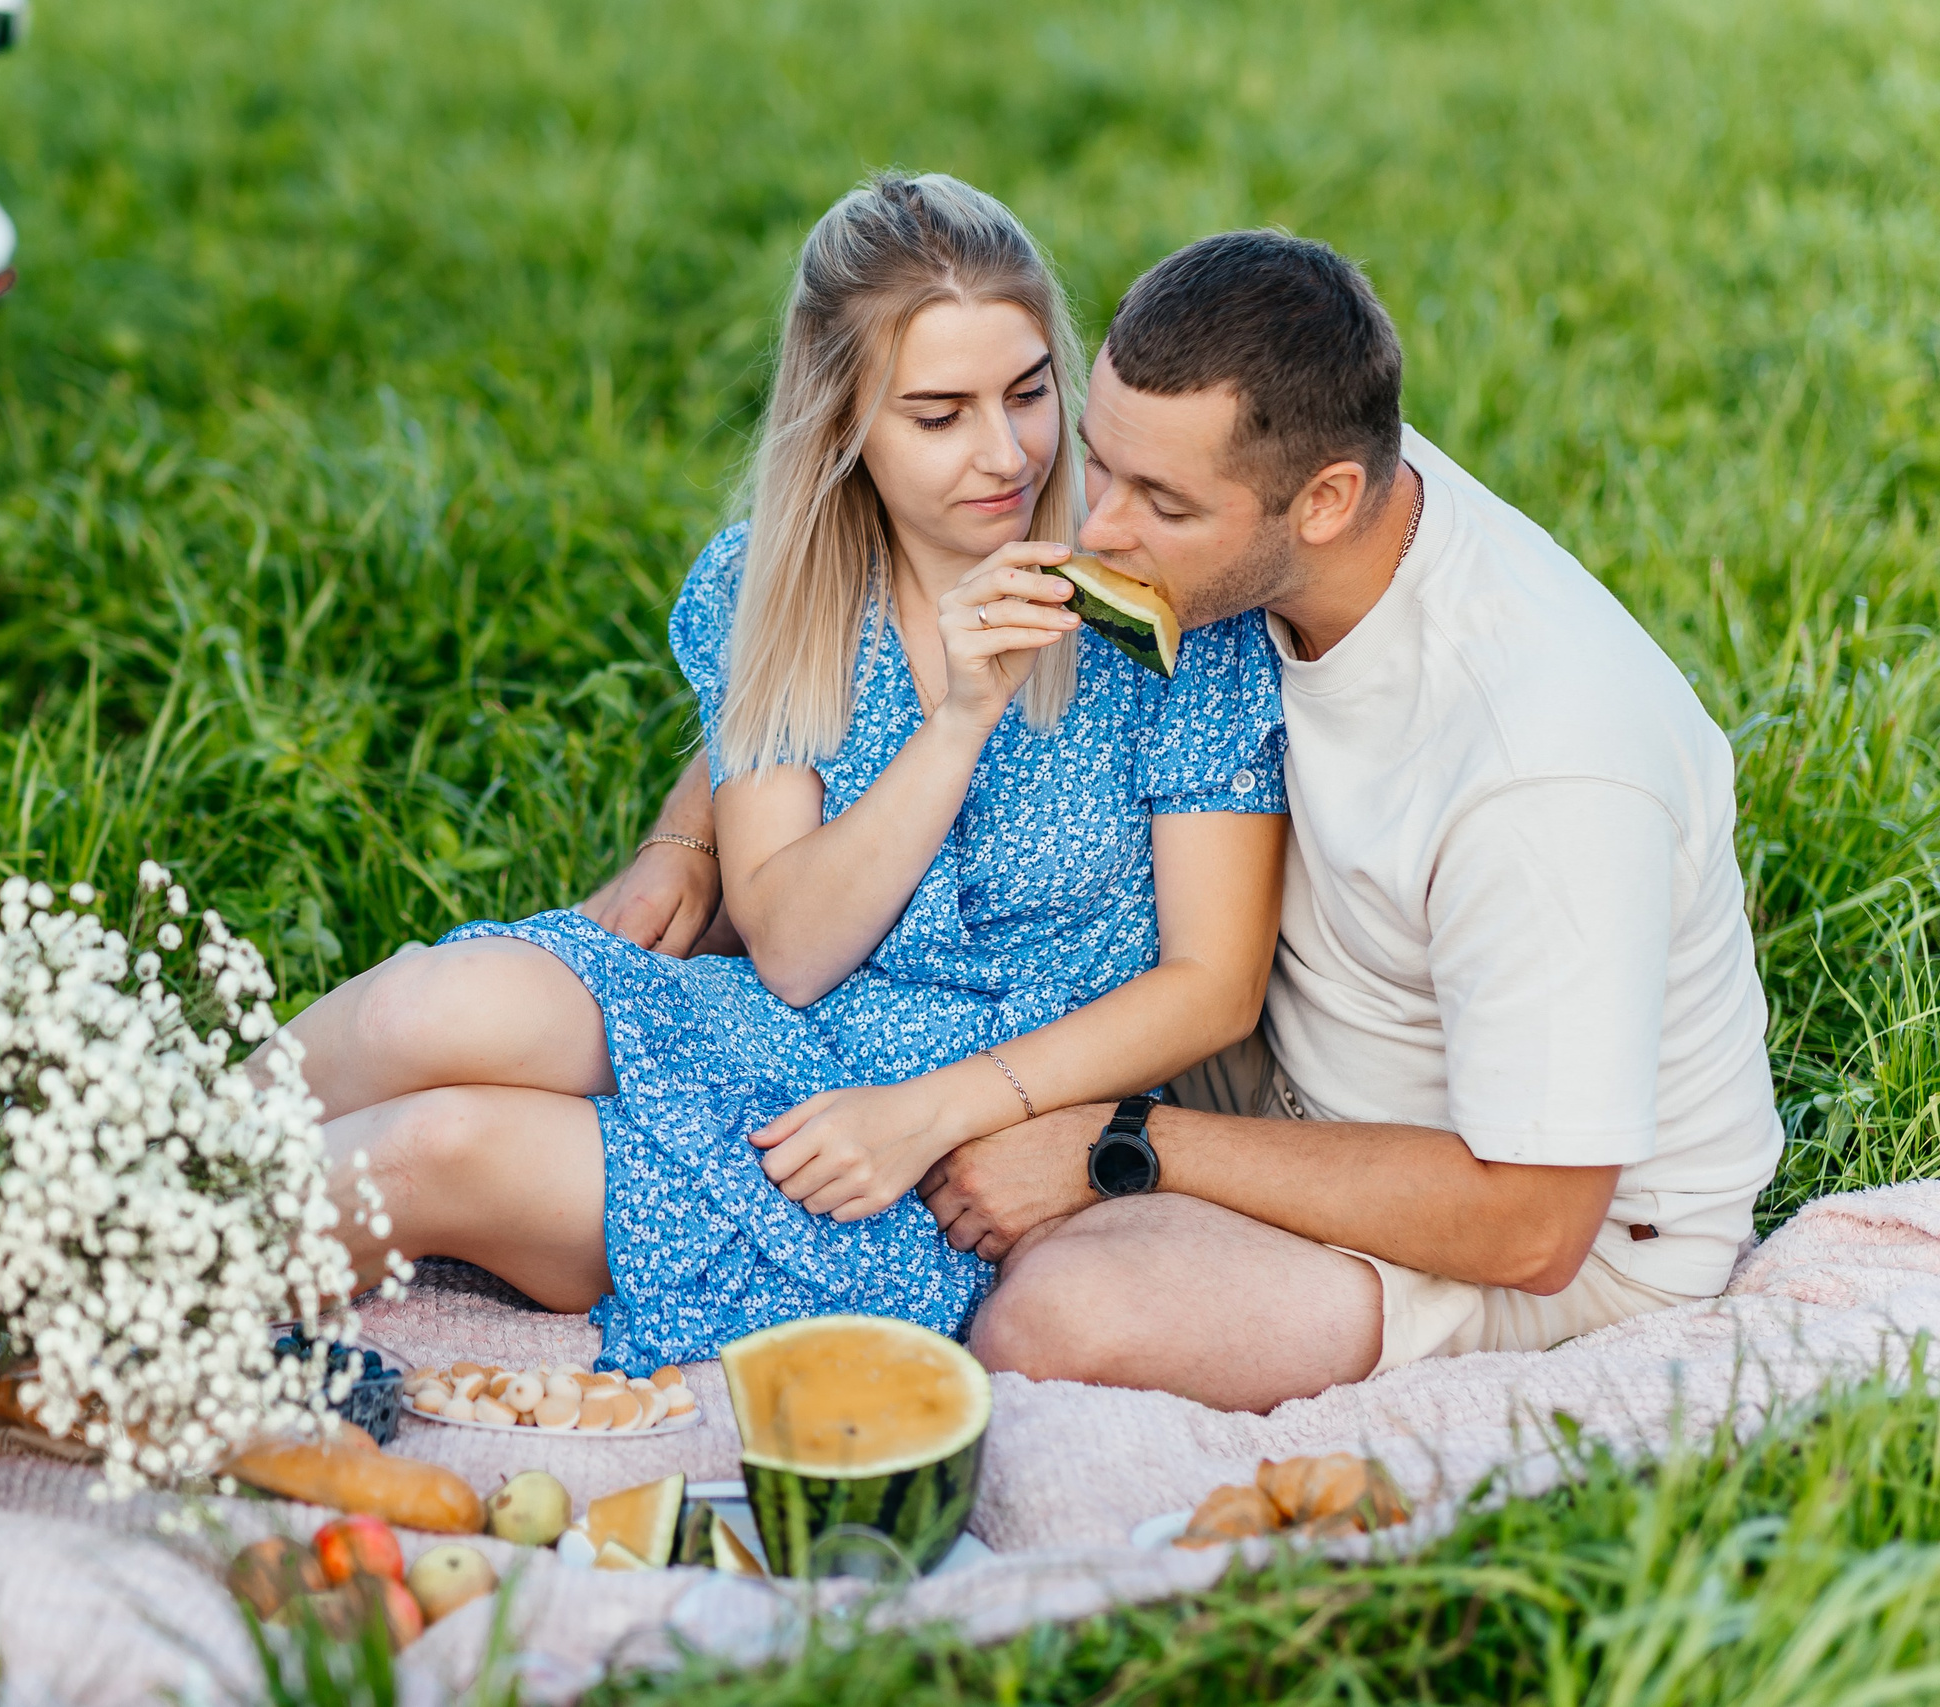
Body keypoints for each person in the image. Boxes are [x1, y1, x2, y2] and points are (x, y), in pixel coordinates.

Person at [604, 230, 1785, 1412]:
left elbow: (1530, 1224)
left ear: (1324, 503)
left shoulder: (1543, 774)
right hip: (1270, 1076)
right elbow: (871, 595)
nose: (1091, 527)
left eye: (1156, 502)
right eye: (1096, 461)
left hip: (1532, 1239)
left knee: (1054, 1318)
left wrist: (1113, 1146)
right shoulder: (1275, 465)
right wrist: (694, 822)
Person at [283, 174, 1291, 1374]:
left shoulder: (1170, 612)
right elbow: (796, 951)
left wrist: (932, 1111)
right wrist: (958, 721)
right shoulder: (781, 583)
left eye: (1029, 394)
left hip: (936, 1147)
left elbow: (1210, 987)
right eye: (937, 415)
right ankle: (108, 1153)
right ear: (843, 421)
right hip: (770, 1024)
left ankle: (112, 1276)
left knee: (439, 1150)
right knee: (421, 1009)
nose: (1005, 453)